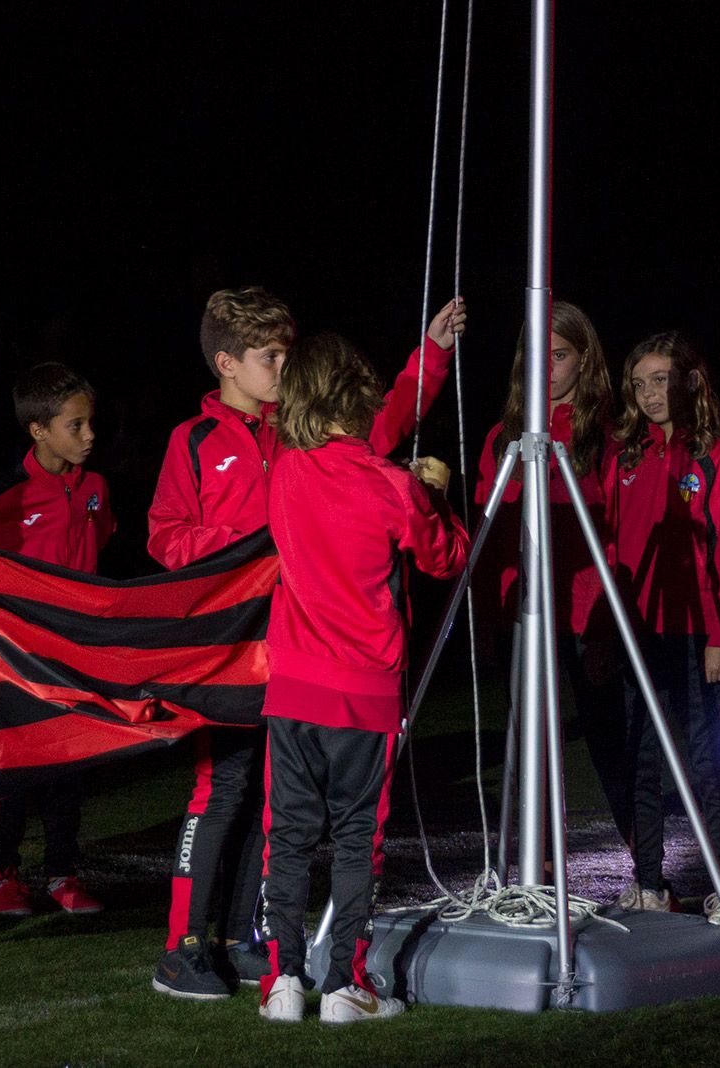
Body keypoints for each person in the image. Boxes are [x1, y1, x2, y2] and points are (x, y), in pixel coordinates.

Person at [148, 287, 466, 1000]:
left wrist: (433, 356)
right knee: (221, 789)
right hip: (229, 650)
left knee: (275, 808)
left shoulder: (295, 441)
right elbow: (166, 537)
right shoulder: (193, 442)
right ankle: (182, 949)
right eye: (271, 357)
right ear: (228, 364)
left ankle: (244, 940)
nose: (285, 367)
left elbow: (374, 431)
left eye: (290, 354)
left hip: (292, 655)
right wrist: (252, 549)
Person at [256, 333, 470, 1023]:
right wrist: (432, 494)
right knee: (356, 840)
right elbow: (446, 557)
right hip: (363, 690)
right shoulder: (390, 484)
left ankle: (283, 981)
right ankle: (345, 986)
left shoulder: (286, 470)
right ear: (357, 396)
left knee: (287, 836)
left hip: (292, 685)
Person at [472, 302, 631, 868]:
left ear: (583, 359)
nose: (547, 368)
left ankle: (651, 868)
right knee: (529, 746)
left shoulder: (605, 436)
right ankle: (535, 871)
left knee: (611, 740)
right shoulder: (503, 437)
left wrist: (608, 626)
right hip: (525, 613)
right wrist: (490, 618)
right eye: (536, 356)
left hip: (588, 615)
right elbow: (490, 538)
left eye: (559, 355)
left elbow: (618, 536)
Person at [0, 362, 115, 916]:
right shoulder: (5, 497)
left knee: (71, 770)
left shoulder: (96, 487)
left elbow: (101, 545)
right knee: (16, 770)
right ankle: (0, 875)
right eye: (76, 425)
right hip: (19, 659)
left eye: (90, 423)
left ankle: (63, 875)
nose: (90, 435)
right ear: (39, 430)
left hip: (76, 656)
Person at [605, 331, 720, 927]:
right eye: (638, 384)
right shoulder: (627, 455)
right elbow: (611, 547)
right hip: (641, 635)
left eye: (659, 379)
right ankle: (648, 884)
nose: (648, 394)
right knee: (640, 760)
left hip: (697, 633)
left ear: (688, 380)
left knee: (706, 762)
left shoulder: (715, 456)